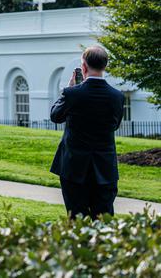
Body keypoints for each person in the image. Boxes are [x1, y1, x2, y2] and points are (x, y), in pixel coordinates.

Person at [50, 45, 125, 219]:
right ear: (104, 66)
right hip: (105, 169)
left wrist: (67, 91)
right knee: (104, 223)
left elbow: (55, 116)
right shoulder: (117, 97)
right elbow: (115, 125)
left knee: (76, 221)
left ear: (83, 67)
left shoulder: (72, 94)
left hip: (74, 168)